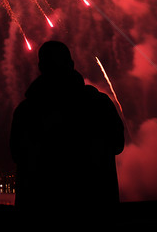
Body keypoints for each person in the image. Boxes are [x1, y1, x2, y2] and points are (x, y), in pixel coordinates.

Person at [10, 40, 125, 216]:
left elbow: (17, 154)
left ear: (41, 67)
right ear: (71, 64)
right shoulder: (98, 104)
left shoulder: (26, 111)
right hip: (96, 210)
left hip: (40, 212)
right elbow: (118, 144)